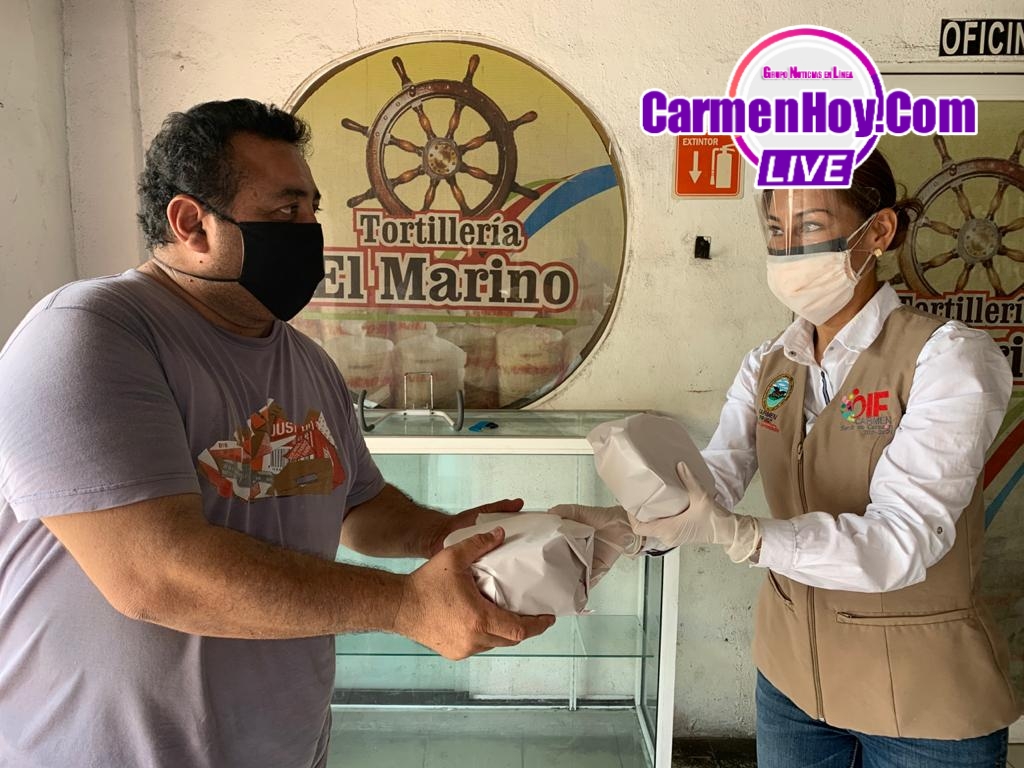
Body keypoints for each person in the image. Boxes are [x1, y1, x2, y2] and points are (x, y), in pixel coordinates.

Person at [0, 99, 553, 767]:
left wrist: (444, 534)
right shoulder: (89, 334)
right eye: (286, 212)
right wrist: (405, 606)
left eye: (314, 211)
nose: (310, 233)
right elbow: (153, 574)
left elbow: (355, 506)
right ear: (191, 224)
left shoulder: (306, 362)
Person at [562, 150, 1020, 767]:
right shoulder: (769, 365)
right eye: (776, 230)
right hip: (793, 687)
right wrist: (628, 529)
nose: (787, 251)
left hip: (923, 703)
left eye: (810, 226)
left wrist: (746, 537)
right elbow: (711, 483)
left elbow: (901, 541)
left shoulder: (948, 359)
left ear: (878, 231)